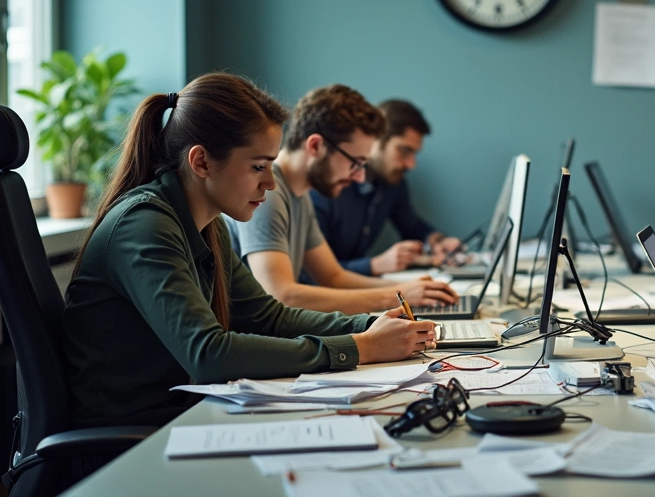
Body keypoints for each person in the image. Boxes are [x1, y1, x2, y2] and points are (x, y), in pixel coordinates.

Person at [63, 74, 436, 429]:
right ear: (201, 162)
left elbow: (269, 318)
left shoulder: (207, 224)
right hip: (127, 435)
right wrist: (360, 348)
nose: (270, 183)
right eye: (258, 166)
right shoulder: (144, 225)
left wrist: (370, 326)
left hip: (176, 412)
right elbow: (209, 355)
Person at [227, 85, 458, 315]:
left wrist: (410, 289)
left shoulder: (300, 195)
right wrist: (397, 296)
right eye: (355, 163)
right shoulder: (269, 194)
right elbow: (282, 295)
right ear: (316, 146)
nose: (359, 176)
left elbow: (333, 276)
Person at [313, 99, 463, 276]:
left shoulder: (392, 184)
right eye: (404, 150)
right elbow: (312, 274)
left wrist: (437, 242)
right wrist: (375, 265)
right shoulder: (326, 187)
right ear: (376, 140)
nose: (411, 164)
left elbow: (413, 227)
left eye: (414, 153)